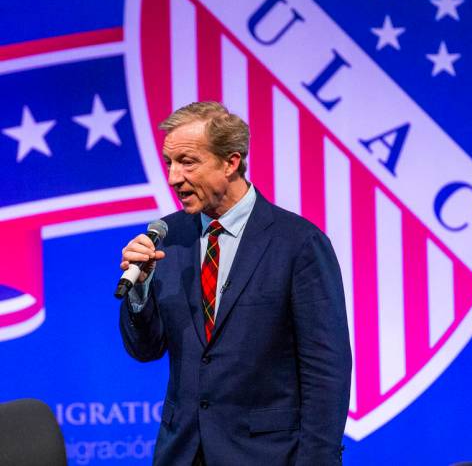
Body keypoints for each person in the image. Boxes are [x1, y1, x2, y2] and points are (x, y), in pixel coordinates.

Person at [119, 101, 352, 466]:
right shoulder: (167, 237)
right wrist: (140, 290)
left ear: (231, 162)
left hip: (267, 455)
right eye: (169, 162)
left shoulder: (297, 243)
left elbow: (326, 367)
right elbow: (145, 350)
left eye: (187, 162)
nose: (173, 177)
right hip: (182, 453)